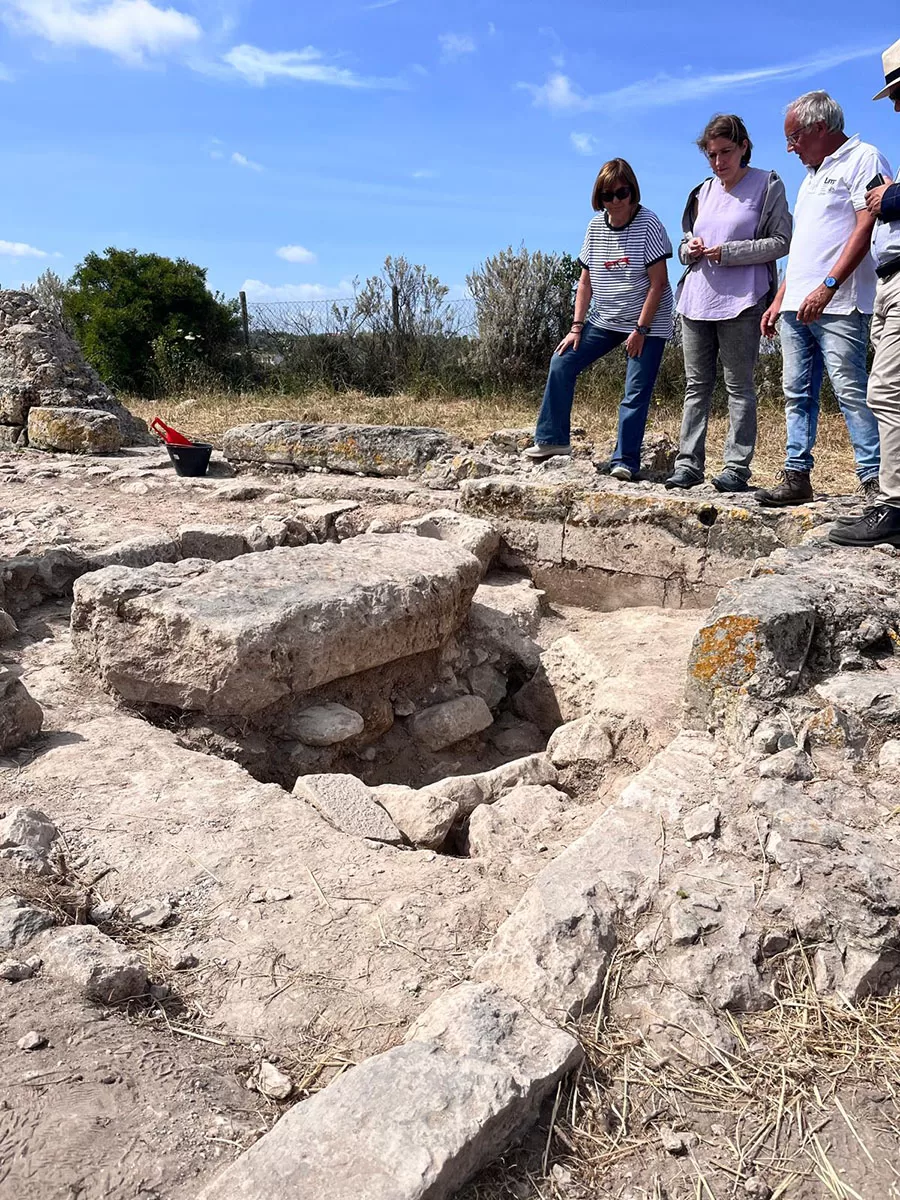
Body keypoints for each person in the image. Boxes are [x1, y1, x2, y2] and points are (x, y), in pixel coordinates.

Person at [756, 90, 891, 508]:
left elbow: (866, 227)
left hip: (839, 302)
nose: (790, 147)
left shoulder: (864, 158)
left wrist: (828, 285)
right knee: (796, 391)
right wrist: (781, 297)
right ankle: (796, 474)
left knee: (851, 389)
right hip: (798, 303)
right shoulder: (811, 175)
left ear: (819, 128)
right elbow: (805, 247)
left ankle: (875, 481)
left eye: (794, 137)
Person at [524, 158, 674, 481]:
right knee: (562, 360)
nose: (617, 201)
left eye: (623, 193)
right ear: (599, 198)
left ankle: (625, 460)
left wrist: (641, 329)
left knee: (635, 389)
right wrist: (576, 327)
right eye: (609, 195)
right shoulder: (595, 227)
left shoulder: (649, 225)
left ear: (633, 192)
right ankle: (553, 440)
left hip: (648, 319)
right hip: (606, 318)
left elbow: (659, 283)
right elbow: (585, 282)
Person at [666, 114, 791, 493]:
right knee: (695, 386)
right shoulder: (702, 192)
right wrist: (691, 249)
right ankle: (688, 464)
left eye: (726, 152)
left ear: (743, 147)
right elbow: (685, 245)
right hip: (696, 301)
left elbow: (782, 241)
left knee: (739, 386)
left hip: (742, 301)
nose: (719, 161)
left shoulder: (767, 184)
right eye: (711, 154)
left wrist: (730, 253)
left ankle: (736, 468)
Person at [830, 40, 900, 545]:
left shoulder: (866, 158)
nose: (895, 103)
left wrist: (887, 196)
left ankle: (894, 505)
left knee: (884, 391)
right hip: (889, 278)